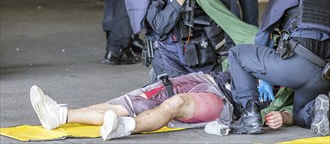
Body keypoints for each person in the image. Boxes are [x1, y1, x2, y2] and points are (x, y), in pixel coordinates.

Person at [30, 71, 293, 141]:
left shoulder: (298, 78)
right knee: (135, 99)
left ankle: (125, 127)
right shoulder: (267, 43)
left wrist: (282, 115)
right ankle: (62, 115)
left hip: (227, 105)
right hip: (205, 78)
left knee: (176, 104)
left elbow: (302, 110)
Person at [227, 0, 330, 136]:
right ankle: (315, 109)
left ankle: (249, 115)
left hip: (294, 66)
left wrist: (263, 77)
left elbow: (264, 32)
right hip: (323, 76)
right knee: (298, 115)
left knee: (237, 54)